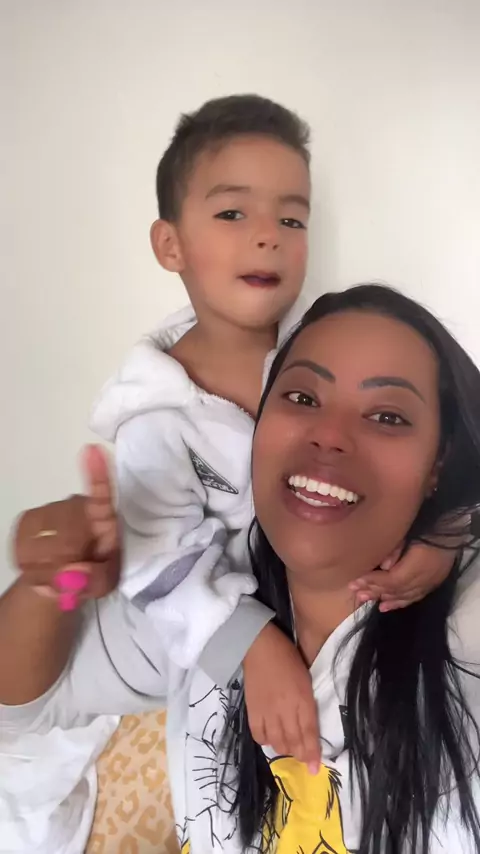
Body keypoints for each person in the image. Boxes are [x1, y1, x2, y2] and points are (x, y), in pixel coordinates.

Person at [14, 95, 455, 770]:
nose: (268, 236)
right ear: (170, 245)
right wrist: (251, 646)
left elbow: (437, 448)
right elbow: (160, 564)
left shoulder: (331, 344)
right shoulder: (156, 414)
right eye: (232, 214)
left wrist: (443, 535)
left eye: (291, 218)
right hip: (222, 633)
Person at [3, 283, 480, 853]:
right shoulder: (201, 602)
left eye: (386, 415)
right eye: (302, 397)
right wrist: (46, 585)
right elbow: (22, 709)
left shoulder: (467, 623)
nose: (329, 434)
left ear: (438, 464)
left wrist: (457, 525)